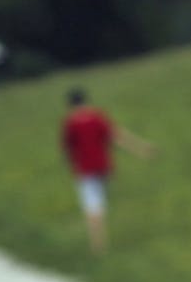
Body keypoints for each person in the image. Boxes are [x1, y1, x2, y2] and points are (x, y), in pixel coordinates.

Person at [60, 87, 156, 253]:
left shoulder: (71, 123)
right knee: (99, 203)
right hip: (103, 167)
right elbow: (116, 136)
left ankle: (98, 245)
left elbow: (68, 148)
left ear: (70, 104)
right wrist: (141, 148)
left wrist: (71, 165)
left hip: (85, 170)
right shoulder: (97, 117)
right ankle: (100, 242)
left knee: (92, 206)